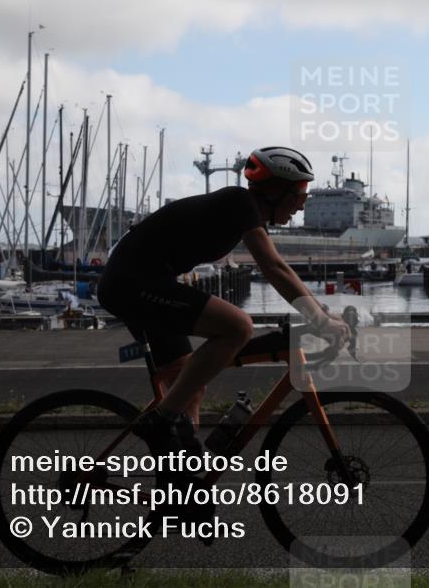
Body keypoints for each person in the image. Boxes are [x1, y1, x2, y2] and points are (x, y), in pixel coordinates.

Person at [97, 146, 351, 454]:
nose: (302, 203)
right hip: (132, 283)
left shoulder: (244, 212)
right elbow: (274, 268)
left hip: (141, 282)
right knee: (238, 327)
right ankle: (160, 422)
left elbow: (279, 268)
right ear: (274, 190)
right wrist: (321, 320)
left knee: (189, 385)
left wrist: (320, 312)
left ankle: (181, 482)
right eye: (299, 192)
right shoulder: (240, 202)